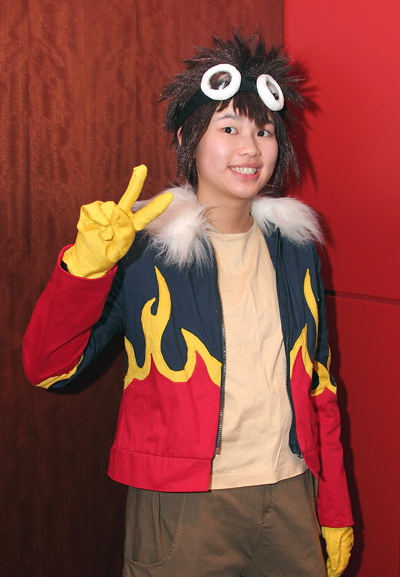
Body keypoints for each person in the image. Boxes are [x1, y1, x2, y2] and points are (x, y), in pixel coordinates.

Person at [23, 32, 354, 576]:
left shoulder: (297, 251)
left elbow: (320, 384)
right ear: (188, 138)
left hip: (291, 491)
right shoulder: (143, 251)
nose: (250, 149)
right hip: (183, 506)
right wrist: (84, 271)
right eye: (229, 128)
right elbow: (48, 367)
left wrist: (333, 504)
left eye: (264, 131)